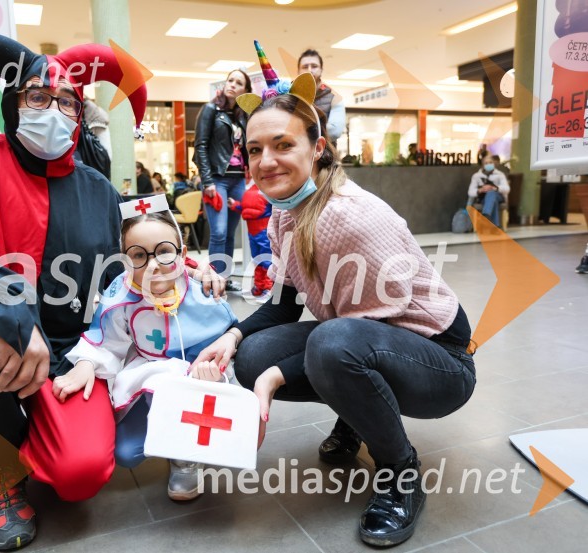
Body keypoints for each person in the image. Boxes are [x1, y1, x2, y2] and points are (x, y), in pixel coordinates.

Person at [194, 44, 476, 547]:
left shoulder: (347, 217)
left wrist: (276, 380)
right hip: (367, 336)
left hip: (441, 361)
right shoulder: (286, 211)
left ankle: (400, 470)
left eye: (282, 145)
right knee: (255, 354)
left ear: (317, 148)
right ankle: (357, 414)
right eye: (255, 150)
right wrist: (231, 337)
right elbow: (282, 305)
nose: (265, 161)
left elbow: (362, 332)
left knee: (331, 346)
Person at [0, 32, 150, 551]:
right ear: (13, 103)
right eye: (37, 96)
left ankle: (47, 430)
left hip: (71, 347)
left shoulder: (97, 188)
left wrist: (177, 266)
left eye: (66, 100)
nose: (53, 109)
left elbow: (122, 270)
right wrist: (10, 298)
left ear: (79, 111)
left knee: (81, 474)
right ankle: (1, 464)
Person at [55, 196, 237, 501]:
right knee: (127, 453)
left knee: (177, 393)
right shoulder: (121, 295)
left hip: (200, 379)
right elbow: (106, 341)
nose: (153, 265)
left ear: (182, 253)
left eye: (165, 252)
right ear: (125, 261)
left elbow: (229, 333)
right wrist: (86, 363)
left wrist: (214, 370)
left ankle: (184, 457)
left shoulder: (202, 289)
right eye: (138, 255)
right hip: (149, 372)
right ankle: (171, 440)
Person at [193, 67, 252, 291]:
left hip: (238, 181)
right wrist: (206, 180)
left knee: (229, 233)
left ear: (245, 90)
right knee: (218, 233)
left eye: (238, 82)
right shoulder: (210, 109)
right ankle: (214, 280)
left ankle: (224, 279)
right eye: (230, 80)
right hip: (216, 179)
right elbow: (200, 145)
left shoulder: (243, 116)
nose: (232, 85)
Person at [229, 183, 273, 301]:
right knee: (258, 260)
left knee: (266, 261)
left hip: (263, 230)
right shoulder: (252, 190)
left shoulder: (268, 189)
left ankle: (268, 289)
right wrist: (235, 205)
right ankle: (260, 286)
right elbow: (245, 208)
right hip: (254, 232)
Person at [298, 48, 345, 146]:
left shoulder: (334, 98)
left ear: (321, 70)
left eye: (314, 66)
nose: (310, 70)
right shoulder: (288, 94)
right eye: (305, 66)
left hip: (324, 157)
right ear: (299, 70)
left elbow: (334, 131)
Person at [468, 154, 510, 228]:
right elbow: (470, 192)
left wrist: (495, 188)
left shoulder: (500, 175)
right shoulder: (476, 176)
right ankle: (495, 226)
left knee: (492, 193)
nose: (489, 164)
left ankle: (486, 215)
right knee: (493, 201)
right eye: (486, 163)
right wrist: (480, 190)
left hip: (499, 196)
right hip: (483, 198)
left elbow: (507, 189)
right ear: (482, 165)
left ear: (494, 164)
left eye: (490, 162)